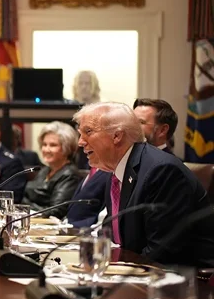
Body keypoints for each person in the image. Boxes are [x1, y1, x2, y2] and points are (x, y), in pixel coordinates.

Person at [74, 102, 214, 267]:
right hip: (133, 270)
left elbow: (161, 252)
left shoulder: (161, 171)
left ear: (117, 136)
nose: (80, 142)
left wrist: (115, 271)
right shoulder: (116, 171)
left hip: (181, 278)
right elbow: (112, 235)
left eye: (88, 132)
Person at [21, 122, 82, 218]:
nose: (46, 149)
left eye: (53, 145)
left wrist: (27, 208)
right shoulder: (44, 170)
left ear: (67, 148)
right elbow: (24, 200)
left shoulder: (70, 174)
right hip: (32, 220)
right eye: (44, 144)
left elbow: (55, 211)